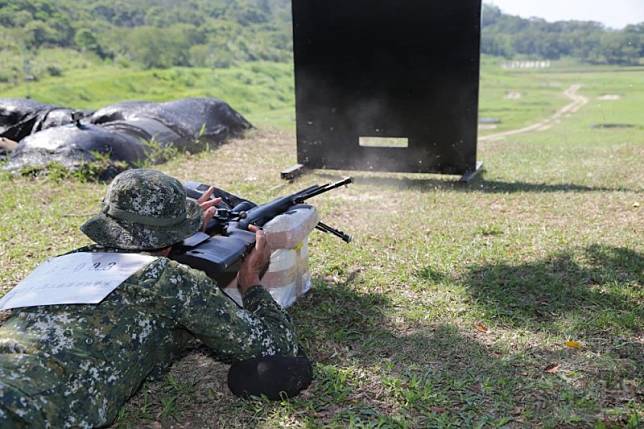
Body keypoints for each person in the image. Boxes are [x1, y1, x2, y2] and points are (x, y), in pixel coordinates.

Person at [0, 169, 304, 428]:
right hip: (26, 409)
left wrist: (171, 228)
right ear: (171, 237)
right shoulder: (168, 279)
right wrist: (251, 282)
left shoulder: (59, 264)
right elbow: (274, 345)